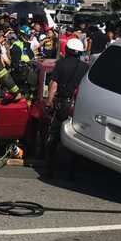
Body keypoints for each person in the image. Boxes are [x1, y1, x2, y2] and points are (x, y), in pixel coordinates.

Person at [45, 37, 90, 172]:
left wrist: (49, 101)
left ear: (67, 50)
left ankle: (50, 168)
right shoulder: (85, 68)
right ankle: (71, 171)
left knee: (54, 135)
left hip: (62, 104)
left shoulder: (60, 64)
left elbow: (54, 85)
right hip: (77, 106)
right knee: (75, 136)